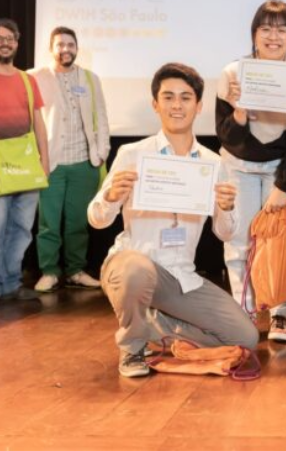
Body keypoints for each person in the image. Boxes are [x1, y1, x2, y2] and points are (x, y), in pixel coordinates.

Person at [89, 62, 258, 377]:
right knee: (137, 270)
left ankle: (156, 328)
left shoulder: (212, 163)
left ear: (199, 106)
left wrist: (227, 207)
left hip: (180, 277)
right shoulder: (133, 153)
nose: (176, 105)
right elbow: (96, 219)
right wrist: (111, 197)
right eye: (168, 97)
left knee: (245, 336)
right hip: (131, 267)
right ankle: (132, 349)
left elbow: (225, 233)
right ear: (156, 104)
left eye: (185, 98)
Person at [216, 0, 286, 342]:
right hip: (238, 167)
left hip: (282, 169)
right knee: (239, 243)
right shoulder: (233, 74)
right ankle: (243, 314)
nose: (274, 36)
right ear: (254, 34)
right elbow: (226, 135)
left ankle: (279, 316)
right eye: (266, 28)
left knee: (284, 242)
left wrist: (283, 187)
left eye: (283, 28)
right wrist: (240, 112)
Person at [30, 26, 110, 292]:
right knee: (48, 223)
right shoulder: (35, 77)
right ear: (51, 48)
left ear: (77, 48)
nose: (66, 49)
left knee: (78, 222)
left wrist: (102, 152)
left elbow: (101, 114)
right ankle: (50, 271)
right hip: (50, 163)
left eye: (70, 44)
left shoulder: (89, 78)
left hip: (84, 163)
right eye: (60, 44)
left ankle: (76, 270)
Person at [0, 18, 48, 310]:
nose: (5, 42)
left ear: (17, 43)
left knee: (20, 228)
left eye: (10, 38)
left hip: (26, 165)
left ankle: (10, 283)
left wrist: (45, 161)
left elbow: (39, 124)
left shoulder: (27, 80)